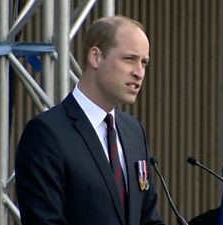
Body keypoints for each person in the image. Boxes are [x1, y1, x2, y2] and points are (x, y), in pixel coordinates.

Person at [15, 15, 164, 225]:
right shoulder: (46, 134)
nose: (139, 72)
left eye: (144, 62)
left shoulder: (134, 131)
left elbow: (148, 218)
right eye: (129, 59)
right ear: (95, 57)